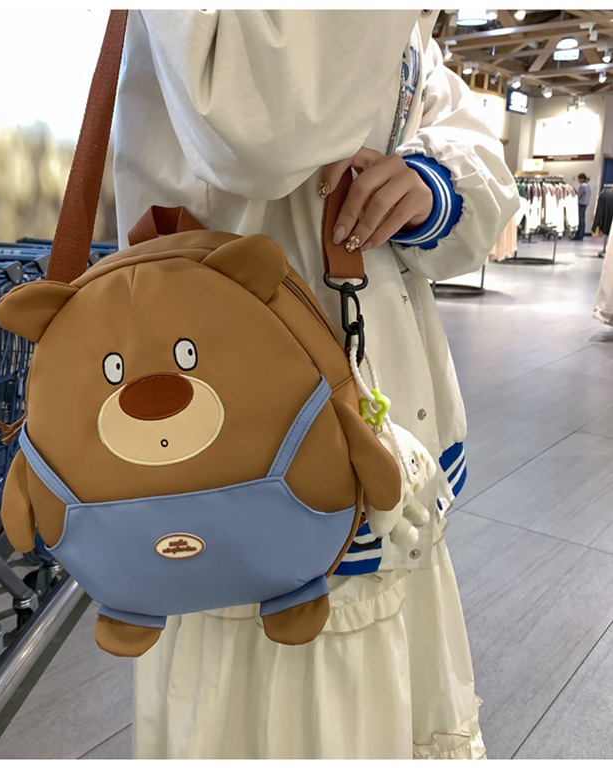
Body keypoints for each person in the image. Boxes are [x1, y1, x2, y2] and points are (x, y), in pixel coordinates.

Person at [110, 10, 519, 760]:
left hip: (373, 401)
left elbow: (460, 128)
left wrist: (430, 182)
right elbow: (257, 124)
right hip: (237, 428)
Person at [573, 173, 592, 240]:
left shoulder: (582, 186)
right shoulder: (588, 186)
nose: (578, 180)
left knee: (580, 220)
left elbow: (578, 195)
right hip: (585, 204)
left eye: (578, 179)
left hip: (581, 204)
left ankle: (579, 235)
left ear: (582, 179)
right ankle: (581, 234)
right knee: (582, 219)